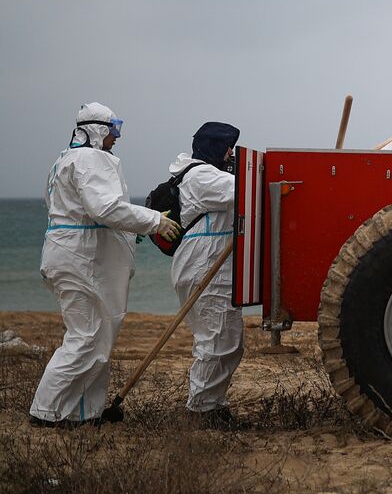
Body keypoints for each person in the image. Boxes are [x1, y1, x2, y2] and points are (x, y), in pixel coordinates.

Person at [31, 103, 182, 426]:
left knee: (97, 337)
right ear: (98, 130)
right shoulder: (90, 159)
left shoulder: (64, 159)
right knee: (85, 335)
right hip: (82, 261)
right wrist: (153, 221)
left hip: (75, 256)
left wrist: (127, 231)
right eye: (113, 129)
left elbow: (81, 212)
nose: (116, 136)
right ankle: (45, 411)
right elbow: (105, 208)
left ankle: (84, 412)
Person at [169, 121, 243, 427]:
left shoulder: (204, 173)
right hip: (204, 264)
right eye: (229, 147)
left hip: (205, 263)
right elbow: (242, 191)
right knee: (217, 338)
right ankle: (201, 411)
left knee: (224, 339)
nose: (231, 154)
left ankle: (212, 405)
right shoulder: (201, 175)